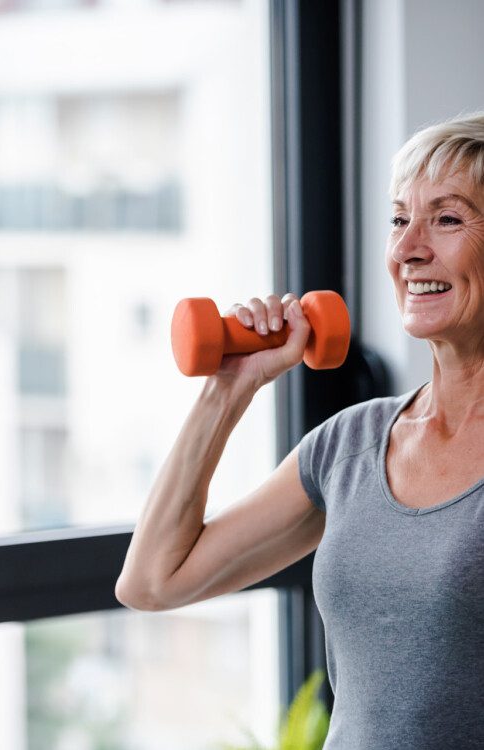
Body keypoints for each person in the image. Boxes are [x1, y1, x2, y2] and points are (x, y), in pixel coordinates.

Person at [115, 111, 484, 749]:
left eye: (447, 219)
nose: (406, 249)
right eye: (400, 219)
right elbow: (152, 581)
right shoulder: (350, 446)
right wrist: (227, 390)